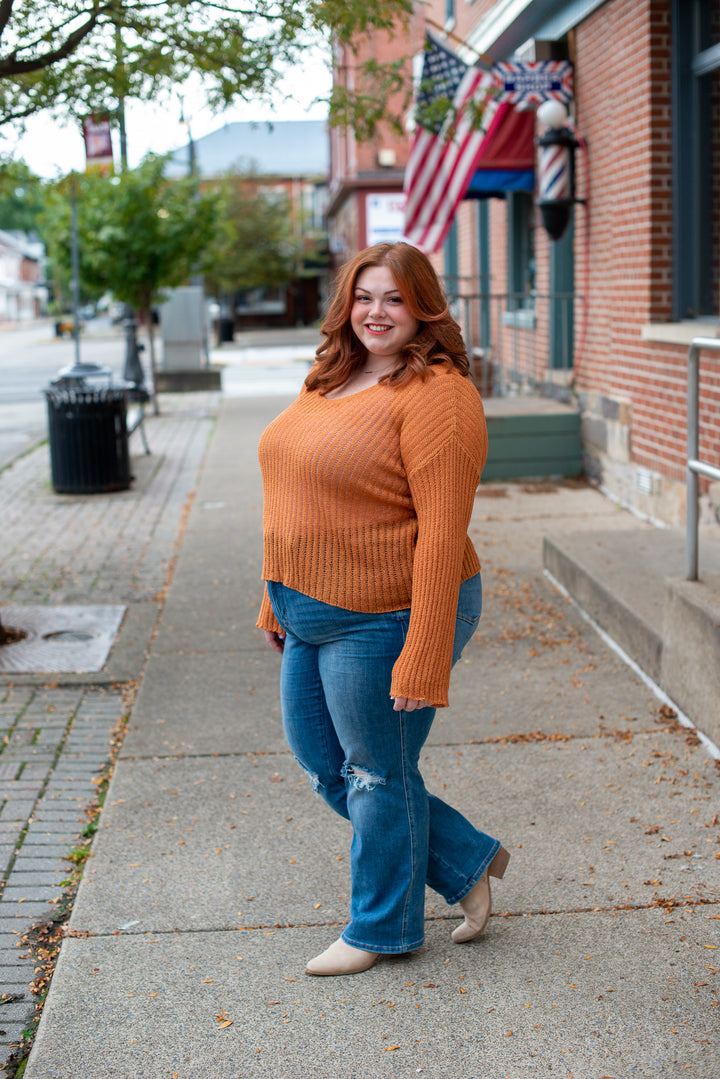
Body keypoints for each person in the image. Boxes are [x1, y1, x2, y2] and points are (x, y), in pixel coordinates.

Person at [257, 241, 509, 976]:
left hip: (389, 612)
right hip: (306, 610)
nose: (377, 312)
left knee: (375, 772)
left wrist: (425, 650)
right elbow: (291, 489)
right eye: (365, 296)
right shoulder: (330, 374)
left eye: (394, 298)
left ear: (422, 306)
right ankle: (468, 861)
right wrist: (272, 594)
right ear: (347, 304)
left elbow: (441, 535)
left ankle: (382, 929)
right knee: (324, 763)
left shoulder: (438, 395)